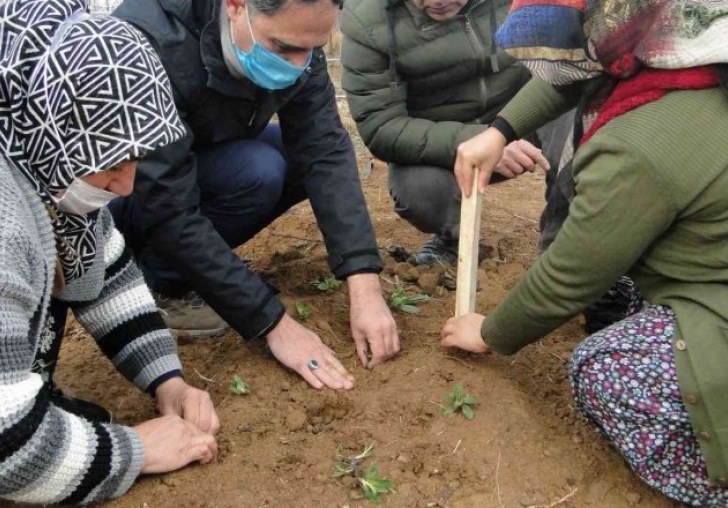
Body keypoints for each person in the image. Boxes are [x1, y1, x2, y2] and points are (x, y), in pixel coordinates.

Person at [440, 0, 728, 504]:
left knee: (602, 368)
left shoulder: (638, 143)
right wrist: (499, 130)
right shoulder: (681, 41)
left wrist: (488, 332)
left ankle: (711, 483)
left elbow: (572, 274)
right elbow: (576, 68)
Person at [109, 0, 400, 389]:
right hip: (126, 191)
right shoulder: (149, 44)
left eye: (312, 48)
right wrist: (273, 322)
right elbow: (165, 204)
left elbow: (325, 150)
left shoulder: (295, 36)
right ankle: (163, 282)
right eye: (282, 48)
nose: (299, 65)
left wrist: (364, 285)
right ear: (235, 6)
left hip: (206, 152)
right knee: (258, 172)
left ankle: (189, 269)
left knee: (295, 162)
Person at [0, 0, 220, 504]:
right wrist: (135, 449)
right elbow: (4, 446)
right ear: (55, 126)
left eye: (134, 158)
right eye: (112, 163)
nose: (126, 185)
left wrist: (168, 381)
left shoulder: (38, 155)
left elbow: (106, 273)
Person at [339, 0, 573, 265]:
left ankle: (568, 247)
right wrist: (477, 138)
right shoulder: (368, 20)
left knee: (578, 113)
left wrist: (505, 129)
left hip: (521, 114)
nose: (436, 1)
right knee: (421, 192)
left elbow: (571, 61)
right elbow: (381, 126)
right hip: (443, 139)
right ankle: (453, 239)